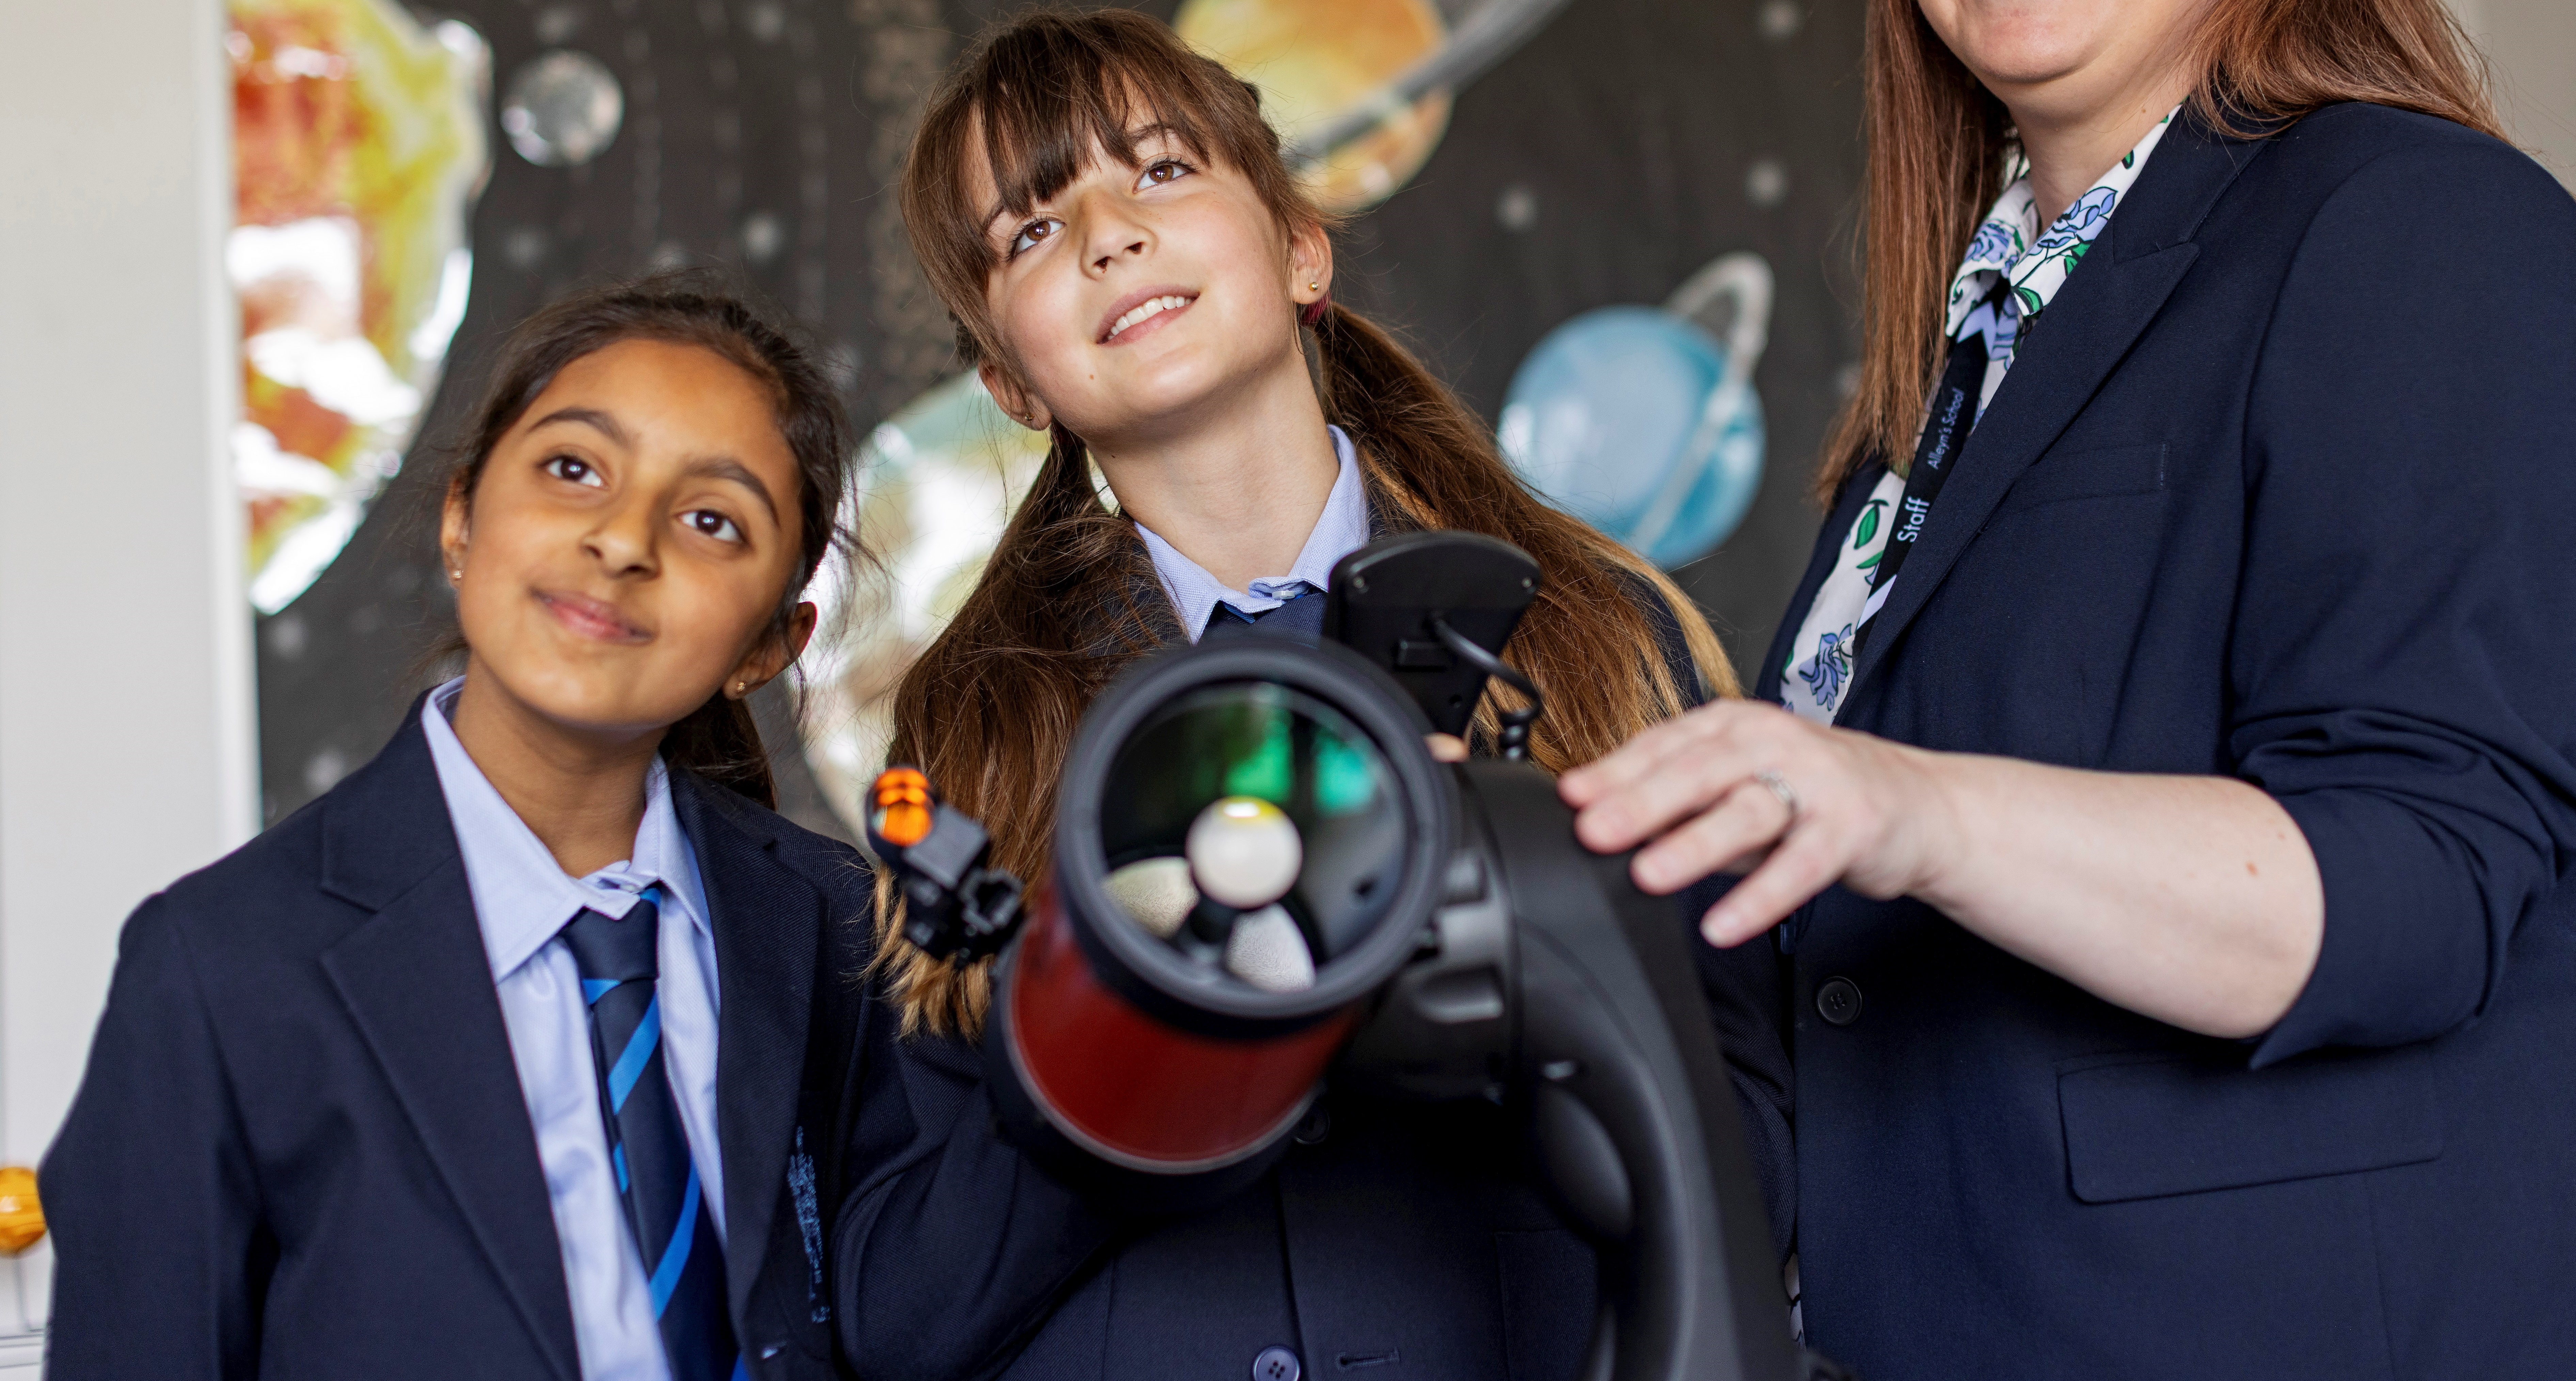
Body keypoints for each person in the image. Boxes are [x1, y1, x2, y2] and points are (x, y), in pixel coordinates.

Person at [1554, 0, 2576, 1376]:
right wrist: (1523, 866)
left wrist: (1908, 809)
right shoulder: (1966, 350)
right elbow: (1838, 958)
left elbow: (2415, 886)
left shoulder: (2414, 217)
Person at [828, 10, 1793, 1381]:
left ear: (1298, 249)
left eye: (1158, 170)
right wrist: (1122, 1015)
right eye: (1029, 232)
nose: (1108, 234)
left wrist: (1509, 944)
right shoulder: (966, 738)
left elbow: (1754, 1159)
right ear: (1006, 381)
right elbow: (901, 1309)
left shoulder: (1590, 630)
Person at [44, 275, 880, 1381]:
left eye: (711, 520)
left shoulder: (828, 921)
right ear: (459, 518)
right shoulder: (221, 965)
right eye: (574, 469)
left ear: (769, 645)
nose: (624, 541)